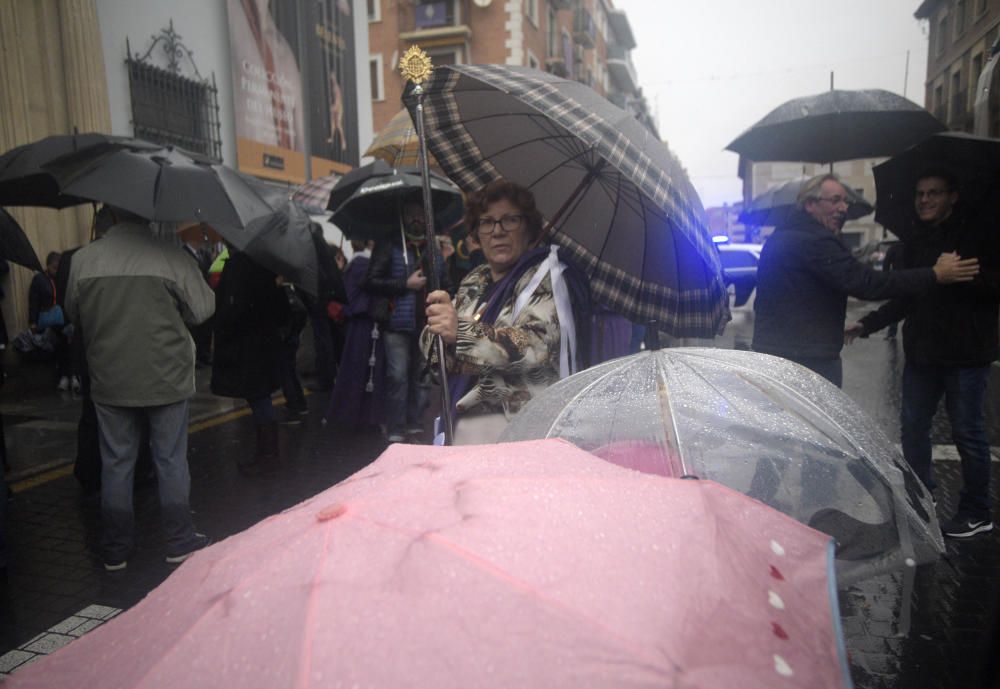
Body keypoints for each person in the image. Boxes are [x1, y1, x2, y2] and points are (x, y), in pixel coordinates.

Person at [847, 172, 999, 538]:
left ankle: (977, 511)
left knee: (968, 433)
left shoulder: (980, 236)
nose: (924, 200)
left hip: (966, 354)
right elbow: (907, 297)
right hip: (923, 353)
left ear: (953, 196)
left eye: (934, 193)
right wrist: (865, 324)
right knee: (913, 429)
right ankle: (920, 500)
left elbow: (993, 286)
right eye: (920, 193)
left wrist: (961, 277)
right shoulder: (914, 243)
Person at [65, 206, 214, 571]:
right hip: (166, 376)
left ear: (112, 218)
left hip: (110, 377)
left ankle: (116, 547)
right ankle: (179, 539)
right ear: (147, 217)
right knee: (169, 459)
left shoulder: (84, 260)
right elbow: (203, 309)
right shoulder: (170, 256)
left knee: (116, 462)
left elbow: (74, 312)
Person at [752, 173, 979, 387]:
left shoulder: (782, 236)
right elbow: (867, 283)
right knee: (816, 427)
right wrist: (934, 274)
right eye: (835, 200)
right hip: (807, 358)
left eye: (845, 201)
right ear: (811, 205)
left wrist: (868, 324)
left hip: (780, 351)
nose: (843, 208)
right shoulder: (815, 241)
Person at [423, 179, 589, 445]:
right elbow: (442, 358)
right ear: (477, 234)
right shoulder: (475, 281)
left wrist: (462, 333)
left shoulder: (548, 276)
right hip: (461, 420)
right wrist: (436, 334)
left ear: (528, 229)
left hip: (520, 429)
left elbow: (534, 345)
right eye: (487, 222)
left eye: (509, 220)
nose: (497, 231)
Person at [364, 196, 450, 443]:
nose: (416, 218)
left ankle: (415, 422)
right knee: (398, 377)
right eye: (411, 213)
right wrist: (405, 284)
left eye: (420, 214)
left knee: (421, 378)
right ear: (402, 217)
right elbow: (370, 281)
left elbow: (446, 284)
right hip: (396, 324)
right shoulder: (389, 244)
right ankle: (396, 427)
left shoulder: (432, 249)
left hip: (426, 324)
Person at [211, 250, 290, 471]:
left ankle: (268, 455)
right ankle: (269, 453)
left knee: (258, 398)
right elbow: (283, 311)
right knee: (261, 396)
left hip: (245, 347)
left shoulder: (236, 267)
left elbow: (227, 310)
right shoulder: (267, 266)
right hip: (266, 344)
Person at [326, 240, 384, 429]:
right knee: (362, 369)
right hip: (366, 325)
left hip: (362, 325)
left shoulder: (357, 264)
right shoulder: (363, 264)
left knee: (356, 369)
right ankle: (362, 415)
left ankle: (352, 414)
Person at [29, 251, 75, 391]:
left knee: (70, 344)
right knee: (61, 345)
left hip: (65, 319)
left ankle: (72, 375)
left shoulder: (64, 279)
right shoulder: (40, 280)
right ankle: (65, 376)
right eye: (54, 268)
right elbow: (34, 301)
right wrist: (33, 321)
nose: (56, 271)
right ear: (48, 266)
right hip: (50, 321)